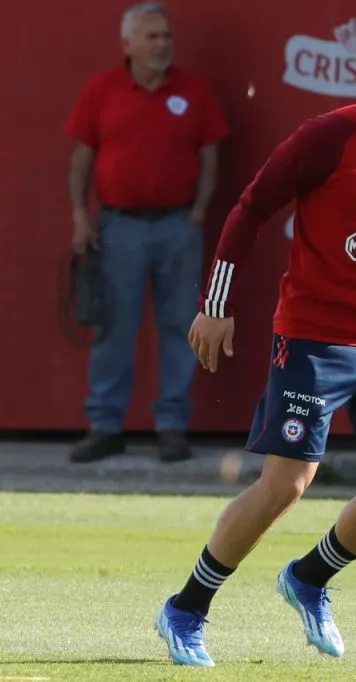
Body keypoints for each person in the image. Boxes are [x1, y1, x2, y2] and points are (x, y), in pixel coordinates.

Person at [154, 13, 356, 667]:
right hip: (313, 340)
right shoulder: (329, 137)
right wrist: (215, 307)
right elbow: (251, 208)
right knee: (287, 483)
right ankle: (185, 609)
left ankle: (309, 578)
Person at [63, 1, 230, 464]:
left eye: (166, 37)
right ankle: (105, 425)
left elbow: (210, 155)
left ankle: (172, 426)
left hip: (178, 224)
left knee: (181, 326)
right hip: (119, 226)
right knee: (114, 325)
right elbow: (81, 157)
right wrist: (80, 215)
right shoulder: (103, 90)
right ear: (127, 43)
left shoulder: (193, 92)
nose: (162, 45)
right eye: (151, 37)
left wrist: (198, 210)